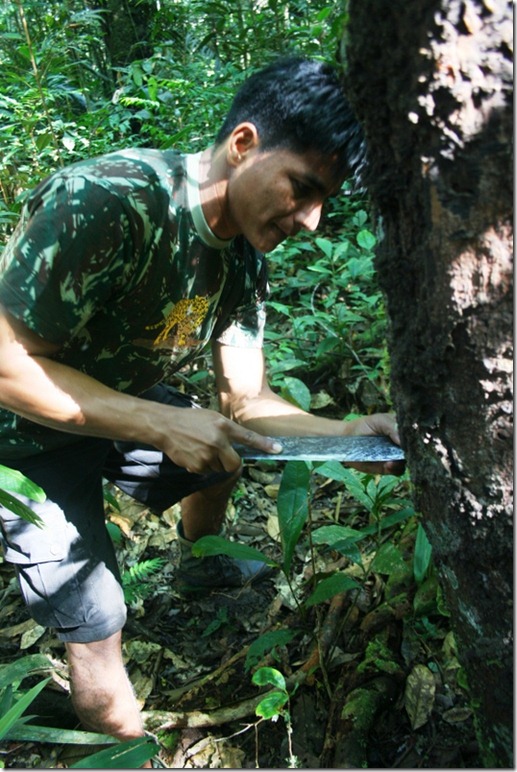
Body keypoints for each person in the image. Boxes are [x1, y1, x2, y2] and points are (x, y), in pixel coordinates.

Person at [0, 56, 401, 751]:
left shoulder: (242, 257)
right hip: (19, 433)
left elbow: (245, 400)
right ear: (243, 144)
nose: (311, 221)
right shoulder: (109, 201)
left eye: (324, 202)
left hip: (107, 399)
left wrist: (347, 431)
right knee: (97, 617)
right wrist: (155, 419)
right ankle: (128, 754)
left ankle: (197, 565)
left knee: (221, 452)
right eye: (302, 188)